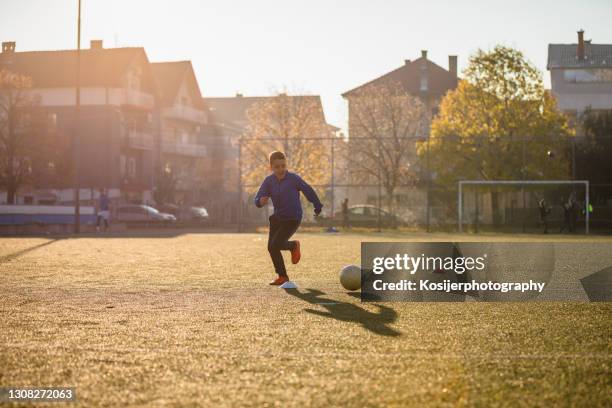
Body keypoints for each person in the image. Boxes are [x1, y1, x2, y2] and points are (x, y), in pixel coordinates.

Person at [254, 151, 323, 285]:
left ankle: (293, 246)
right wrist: (259, 201)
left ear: (286, 165)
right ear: (271, 167)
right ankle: (283, 276)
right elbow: (257, 199)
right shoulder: (269, 181)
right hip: (278, 218)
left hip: (293, 217)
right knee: (271, 247)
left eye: (283, 166)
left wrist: (317, 204)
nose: (281, 169)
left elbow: (307, 190)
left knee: (276, 244)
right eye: (277, 167)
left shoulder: (293, 179)